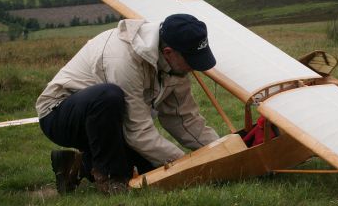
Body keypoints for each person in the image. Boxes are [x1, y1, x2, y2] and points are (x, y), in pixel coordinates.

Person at [36, 14, 220, 194]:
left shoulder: (175, 64)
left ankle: (77, 165)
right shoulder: (122, 59)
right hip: (58, 114)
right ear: (168, 52)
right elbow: (138, 131)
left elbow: (183, 118)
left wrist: (221, 151)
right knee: (108, 96)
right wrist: (184, 165)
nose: (194, 67)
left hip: (107, 123)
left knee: (150, 172)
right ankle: (111, 177)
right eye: (191, 60)